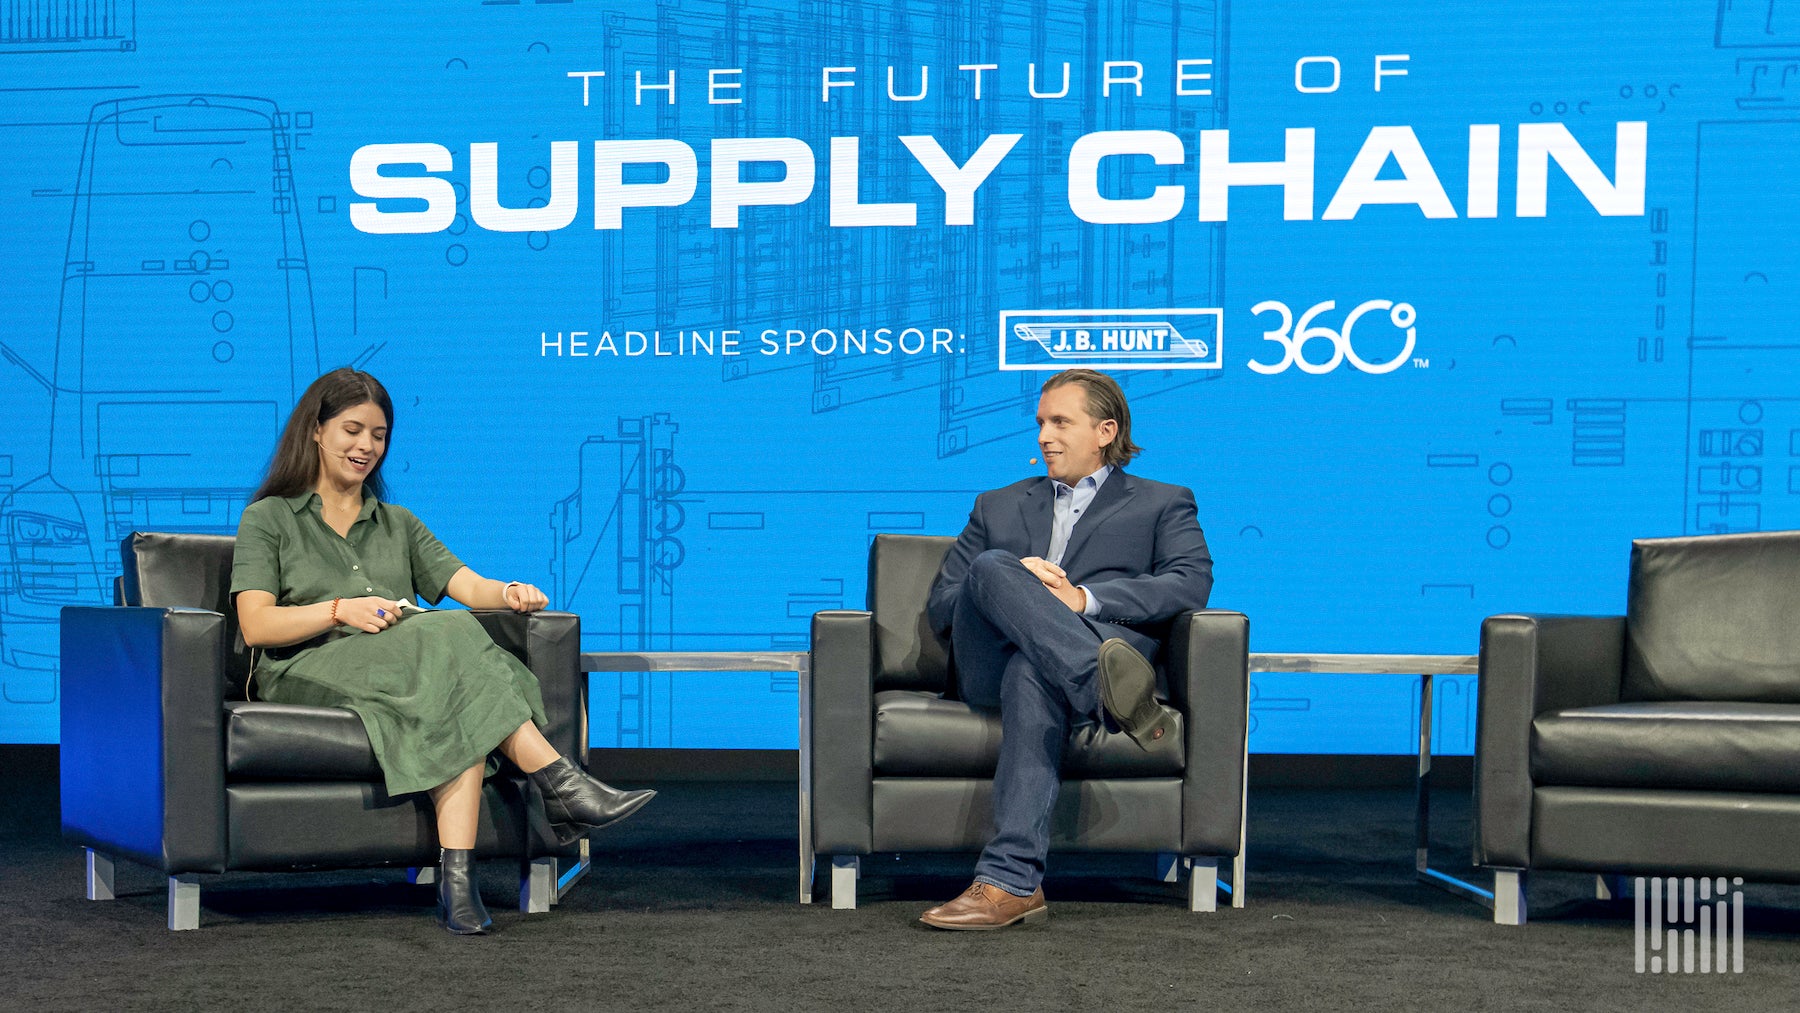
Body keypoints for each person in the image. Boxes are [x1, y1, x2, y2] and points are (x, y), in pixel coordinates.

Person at [230, 367, 655, 935]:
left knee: (451, 672)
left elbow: (465, 585)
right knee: (447, 639)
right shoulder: (271, 518)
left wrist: (508, 593)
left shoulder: (397, 522)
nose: (366, 447)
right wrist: (339, 609)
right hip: (307, 663)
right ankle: (560, 783)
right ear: (316, 430)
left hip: (400, 664)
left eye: (378, 436)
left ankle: (459, 885)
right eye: (352, 430)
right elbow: (256, 626)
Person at [918, 368, 1214, 930]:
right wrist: (1016, 587)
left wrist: (1082, 599)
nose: (1044, 436)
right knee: (991, 567)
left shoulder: (1163, 503)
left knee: (1036, 669)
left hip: (1052, 658)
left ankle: (1009, 883)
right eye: (1040, 423)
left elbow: (1189, 582)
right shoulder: (996, 505)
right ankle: (1099, 685)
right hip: (990, 661)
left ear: (1106, 430)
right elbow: (942, 604)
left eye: (1060, 422)